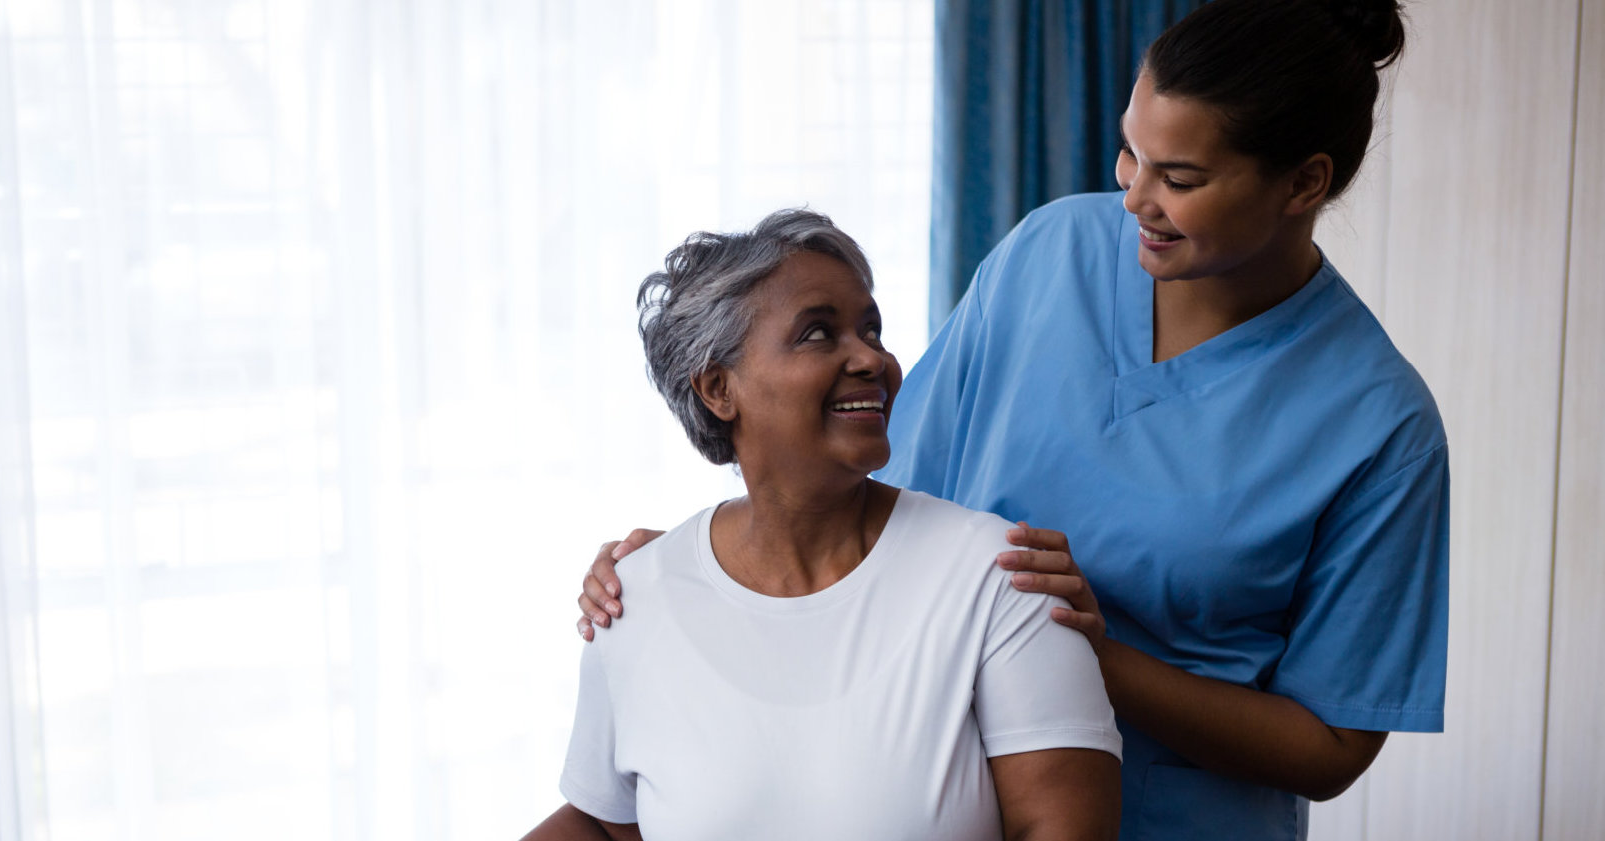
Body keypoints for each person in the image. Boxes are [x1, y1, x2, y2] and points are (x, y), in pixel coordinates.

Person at [574, 2, 1447, 840]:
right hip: (952, 800)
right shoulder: (1050, 255)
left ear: (1305, 182)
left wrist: (1084, 652)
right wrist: (713, 570)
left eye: (1178, 178)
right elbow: (875, 485)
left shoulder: (1378, 425)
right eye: (1128, 153)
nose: (1134, 197)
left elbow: (1328, 746)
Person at [525, 210, 1122, 841]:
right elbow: (608, 825)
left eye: (872, 330)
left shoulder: (1000, 576)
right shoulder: (633, 598)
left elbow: (1063, 828)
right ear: (719, 389)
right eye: (818, 334)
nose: (872, 359)